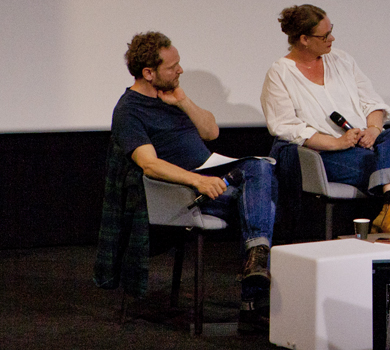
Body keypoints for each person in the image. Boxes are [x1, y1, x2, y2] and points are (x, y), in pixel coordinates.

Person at [109, 32, 277, 291]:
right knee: (264, 199)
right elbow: (150, 165)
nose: (180, 70)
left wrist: (183, 101)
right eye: (172, 67)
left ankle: (257, 262)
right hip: (182, 191)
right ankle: (254, 290)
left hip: (211, 179)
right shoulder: (129, 111)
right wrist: (198, 181)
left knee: (260, 166)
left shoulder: (169, 97)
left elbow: (211, 132)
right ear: (148, 73)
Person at [261, 4, 390, 234]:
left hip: (365, 143)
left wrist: (373, 130)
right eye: (325, 35)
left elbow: (372, 102)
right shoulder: (280, 73)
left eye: (331, 31)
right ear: (304, 39)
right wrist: (338, 142)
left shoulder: (341, 60)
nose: (332, 38)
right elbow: (287, 128)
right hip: (324, 154)